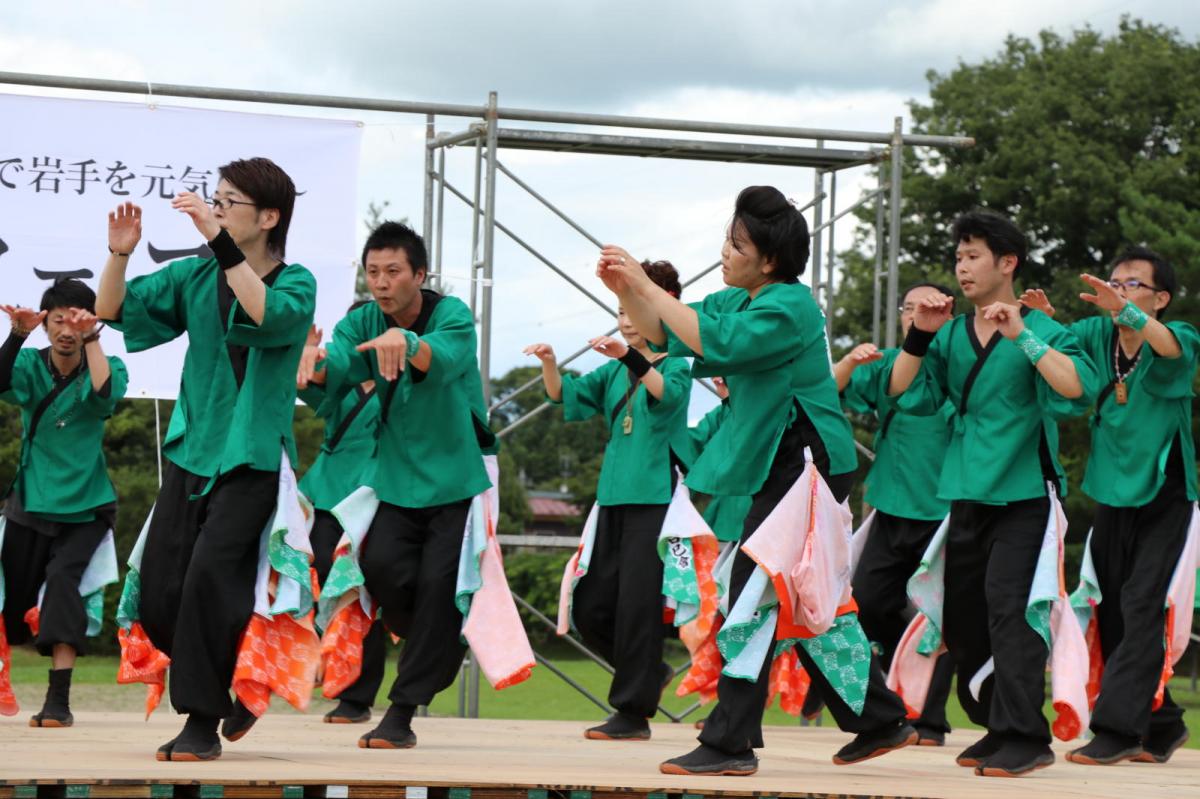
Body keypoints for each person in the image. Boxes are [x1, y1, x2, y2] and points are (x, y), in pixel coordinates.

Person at [597, 185, 916, 777]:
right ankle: (880, 719)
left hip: (807, 461)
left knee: (752, 593)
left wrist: (644, 287)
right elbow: (670, 337)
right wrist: (629, 293)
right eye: (727, 238)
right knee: (803, 598)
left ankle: (729, 742)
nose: (724, 251)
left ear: (768, 260)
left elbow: (713, 341)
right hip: (784, 462)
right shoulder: (737, 300)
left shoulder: (790, 306)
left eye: (736, 243)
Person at [95, 158, 316, 761]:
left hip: (250, 458)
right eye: (214, 200)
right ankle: (238, 681)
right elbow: (114, 311)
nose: (216, 210)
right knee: (163, 592)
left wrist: (216, 241)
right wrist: (118, 255)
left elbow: (264, 312)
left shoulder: (297, 283)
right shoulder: (195, 275)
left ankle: (199, 722)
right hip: (193, 451)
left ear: (269, 217)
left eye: (229, 202)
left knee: (210, 583)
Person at [887, 208, 1099, 777]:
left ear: (1008, 263)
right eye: (958, 256)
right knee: (964, 619)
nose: (962, 266)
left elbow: (1076, 389)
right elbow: (901, 389)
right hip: (965, 490)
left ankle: (1025, 736)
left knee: (1011, 611)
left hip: (1024, 492)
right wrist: (918, 334)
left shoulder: (1045, 330)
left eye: (973, 255)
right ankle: (997, 725)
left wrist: (1022, 334)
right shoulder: (952, 333)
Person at [298, 221, 491, 750]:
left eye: (393, 271)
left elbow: (446, 358)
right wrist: (314, 367)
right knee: (381, 569)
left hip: (454, 483)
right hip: (393, 483)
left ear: (419, 275)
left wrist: (405, 341)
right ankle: (441, 636)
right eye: (373, 272)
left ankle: (400, 712)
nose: (381, 283)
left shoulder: (449, 314)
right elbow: (340, 362)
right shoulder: (362, 319)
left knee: (436, 589)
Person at [1020, 247, 1196, 765]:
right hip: (1111, 491)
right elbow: (1064, 359)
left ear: (1160, 298)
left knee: (1143, 605)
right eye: (1114, 283)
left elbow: (1168, 349)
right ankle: (1162, 725)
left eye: (1133, 285)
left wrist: (1130, 314)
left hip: (1166, 493)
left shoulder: (1179, 335)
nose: (1118, 290)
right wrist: (1047, 324)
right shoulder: (1097, 337)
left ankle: (1118, 731)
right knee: (1113, 609)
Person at [525, 260, 691, 741]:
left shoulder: (676, 362)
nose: (624, 319)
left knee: (638, 606)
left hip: (657, 501)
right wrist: (551, 362)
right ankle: (648, 675)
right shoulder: (613, 370)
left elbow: (665, 394)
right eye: (619, 309)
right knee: (592, 605)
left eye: (634, 307)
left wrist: (629, 358)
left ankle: (632, 714)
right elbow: (563, 396)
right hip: (612, 500)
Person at [833, 282, 958, 747]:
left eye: (927, 308)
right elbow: (828, 394)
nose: (914, 314)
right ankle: (895, 701)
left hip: (946, 508)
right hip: (891, 504)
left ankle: (930, 722)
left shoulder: (966, 367)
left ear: (949, 316)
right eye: (909, 307)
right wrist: (847, 362)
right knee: (867, 602)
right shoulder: (887, 363)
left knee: (938, 618)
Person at [0, 280, 127, 728]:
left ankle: (59, 702)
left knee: (62, 586)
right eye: (59, 320)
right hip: (30, 502)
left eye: (78, 320)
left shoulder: (108, 365)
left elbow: (103, 396)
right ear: (46, 323)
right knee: (10, 607)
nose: (67, 329)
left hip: (87, 508)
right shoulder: (30, 367)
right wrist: (16, 335)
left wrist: (93, 339)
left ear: (92, 324)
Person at [297, 303, 385, 725]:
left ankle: (356, 696)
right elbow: (306, 382)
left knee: (363, 597)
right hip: (325, 495)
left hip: (373, 499)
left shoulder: (400, 383)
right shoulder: (340, 381)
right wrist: (309, 352)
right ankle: (311, 660)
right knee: (307, 577)